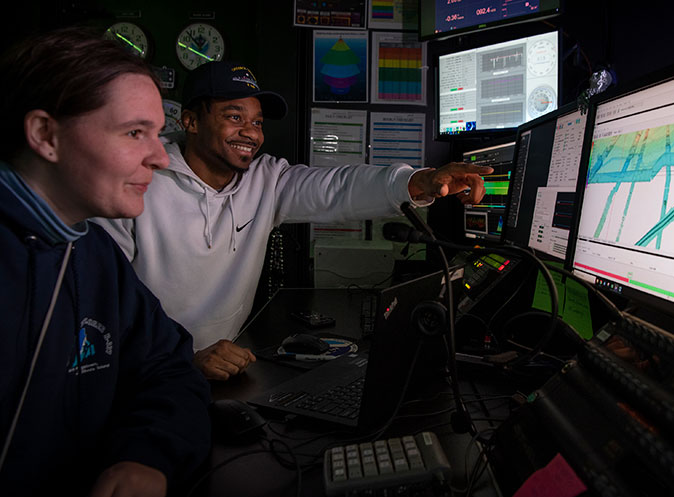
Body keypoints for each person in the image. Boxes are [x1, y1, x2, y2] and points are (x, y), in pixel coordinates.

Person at [93, 60, 492, 381]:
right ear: (191, 121)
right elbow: (103, 305)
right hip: (141, 373)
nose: (249, 133)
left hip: (225, 365)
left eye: (257, 122)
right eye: (234, 117)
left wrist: (418, 181)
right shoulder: (140, 181)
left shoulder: (267, 179)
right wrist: (181, 357)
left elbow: (340, 188)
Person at [0, 28, 211, 496]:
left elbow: (168, 371)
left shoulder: (95, 255)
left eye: (158, 134)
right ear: (45, 135)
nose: (159, 157)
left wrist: (147, 456)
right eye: (135, 132)